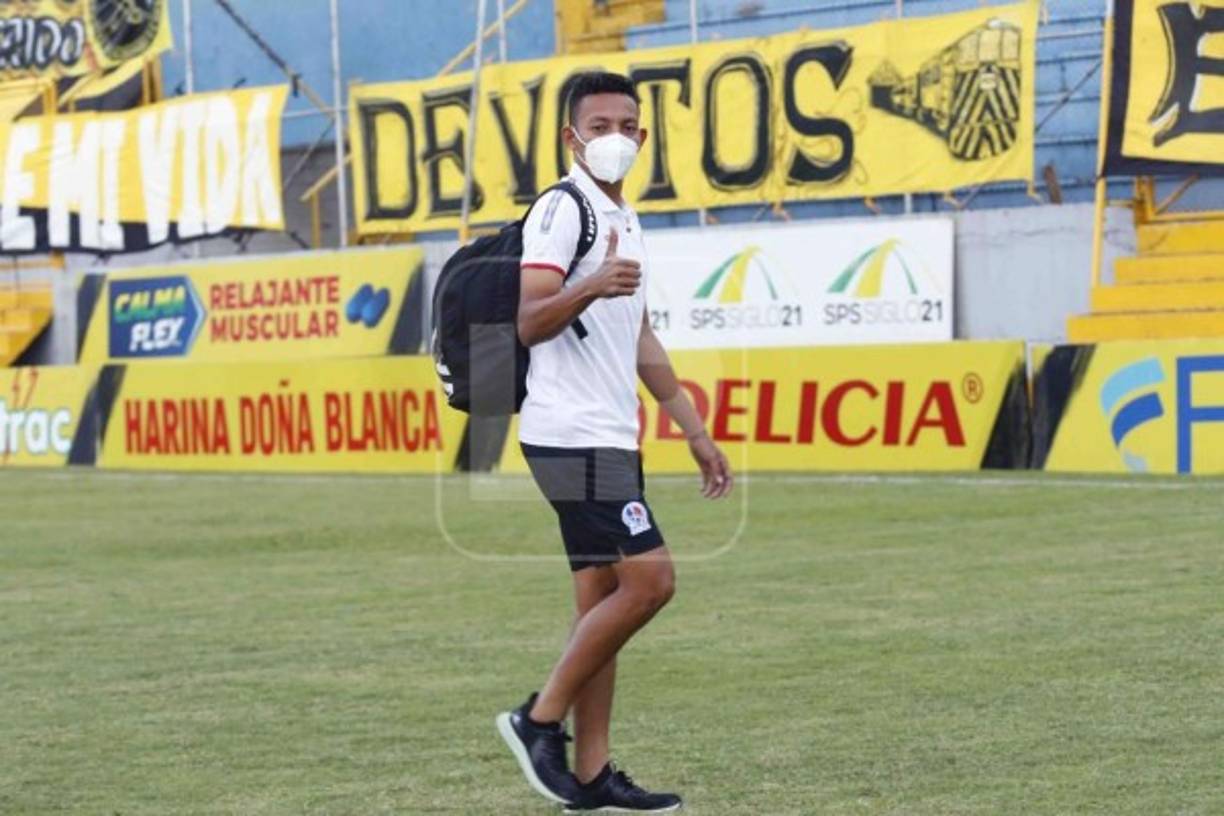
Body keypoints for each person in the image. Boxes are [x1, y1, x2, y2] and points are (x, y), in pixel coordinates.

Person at [495, 71, 734, 814]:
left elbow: (642, 337)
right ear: (572, 137)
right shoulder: (564, 211)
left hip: (610, 437)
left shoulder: (624, 218)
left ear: (643, 136)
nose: (614, 137)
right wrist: (592, 283)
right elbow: (530, 319)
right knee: (652, 582)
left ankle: (592, 776)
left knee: (600, 603)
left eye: (627, 124)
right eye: (598, 125)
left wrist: (693, 428)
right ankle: (537, 722)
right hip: (570, 437)